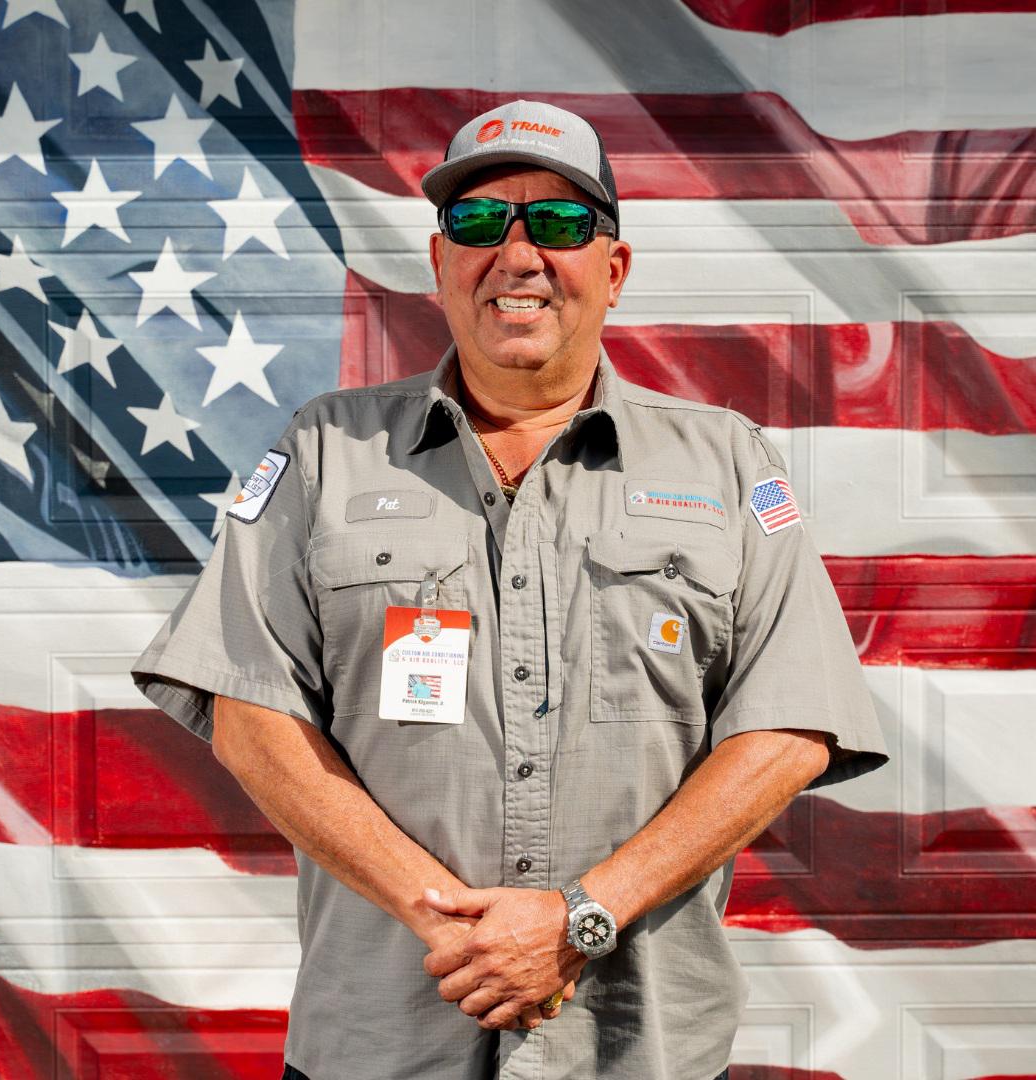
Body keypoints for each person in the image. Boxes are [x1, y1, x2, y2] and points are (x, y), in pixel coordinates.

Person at [130, 99, 889, 1080]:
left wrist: (582, 917)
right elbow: (249, 711)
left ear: (614, 269)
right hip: (382, 1042)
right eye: (480, 222)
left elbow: (791, 724)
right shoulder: (326, 451)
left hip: (634, 1051)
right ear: (440, 261)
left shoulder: (728, 463)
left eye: (562, 223)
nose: (518, 254)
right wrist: (446, 922)